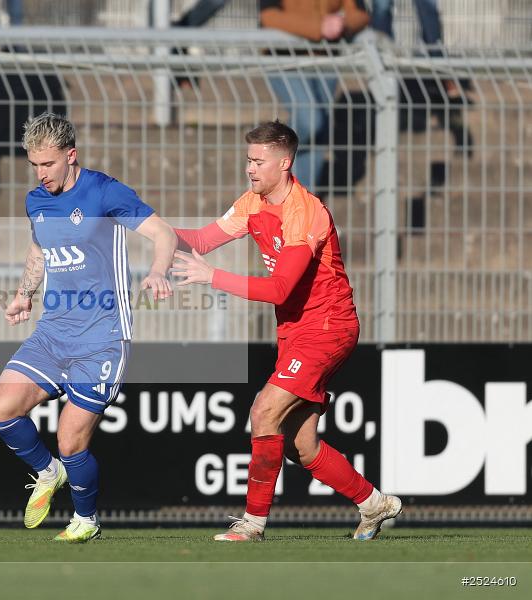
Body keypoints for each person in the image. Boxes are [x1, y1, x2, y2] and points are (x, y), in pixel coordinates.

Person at [172, 120, 401, 542]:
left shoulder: (306, 212)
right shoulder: (252, 203)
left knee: (264, 411)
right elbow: (200, 241)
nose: (250, 169)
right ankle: (374, 503)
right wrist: (143, 228)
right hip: (295, 331)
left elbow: (280, 289)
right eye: (248, 160)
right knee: (300, 444)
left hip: (327, 327)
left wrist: (212, 277)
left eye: (258, 162)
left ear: (284, 163)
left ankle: (252, 524)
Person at [0, 113, 176, 543]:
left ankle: (86, 519)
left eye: (48, 164)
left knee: (70, 439)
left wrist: (157, 271)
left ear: (70, 156)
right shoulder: (36, 200)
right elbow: (38, 250)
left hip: (102, 338)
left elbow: (163, 233)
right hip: (53, 332)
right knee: (0, 409)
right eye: (34, 165)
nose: (41, 173)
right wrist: (24, 294)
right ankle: (47, 472)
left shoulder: (104, 192)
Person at [260, 0, 369, 194]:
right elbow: (268, 16)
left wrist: (343, 24)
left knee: (319, 132)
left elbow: (360, 12)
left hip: (325, 58)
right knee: (310, 120)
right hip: (283, 57)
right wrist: (319, 27)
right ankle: (268, 160)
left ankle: (302, 200)